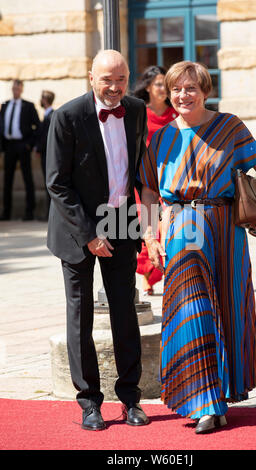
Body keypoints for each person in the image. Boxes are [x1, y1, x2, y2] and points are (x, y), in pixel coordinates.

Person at [138, 61, 256, 434]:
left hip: (226, 228)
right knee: (192, 310)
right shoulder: (161, 137)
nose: (183, 96)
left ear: (205, 90)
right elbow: (149, 189)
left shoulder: (229, 126)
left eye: (191, 89)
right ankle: (206, 402)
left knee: (229, 307)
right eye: (176, 89)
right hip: (183, 227)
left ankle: (221, 395)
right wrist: (151, 234)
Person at [46, 49, 149, 431]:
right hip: (78, 228)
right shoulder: (67, 116)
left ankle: (131, 399)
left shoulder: (135, 109)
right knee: (81, 315)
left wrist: (148, 204)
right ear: (91, 77)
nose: (115, 87)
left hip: (121, 220)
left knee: (125, 312)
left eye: (121, 78)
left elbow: (135, 165)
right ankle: (89, 403)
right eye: (107, 79)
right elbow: (57, 183)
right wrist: (89, 234)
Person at [133, 66, 178, 295]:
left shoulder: (176, 114)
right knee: (148, 227)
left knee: (169, 230)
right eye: (159, 84)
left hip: (172, 180)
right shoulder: (139, 113)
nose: (163, 89)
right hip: (146, 181)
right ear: (148, 87)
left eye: (166, 84)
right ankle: (148, 274)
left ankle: (163, 273)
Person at [0, 79, 40, 221]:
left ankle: (29, 212)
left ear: (21, 89)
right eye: (13, 88)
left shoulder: (28, 106)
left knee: (27, 179)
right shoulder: (5, 105)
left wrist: (29, 144)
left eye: (17, 88)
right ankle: (6, 212)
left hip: (23, 146)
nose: (15, 90)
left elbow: (38, 127)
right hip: (9, 146)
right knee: (7, 180)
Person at [35, 90, 55, 219]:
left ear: (45, 99)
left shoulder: (51, 115)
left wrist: (38, 148)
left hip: (47, 155)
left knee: (50, 184)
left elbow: (46, 137)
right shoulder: (47, 115)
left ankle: (50, 213)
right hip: (45, 154)